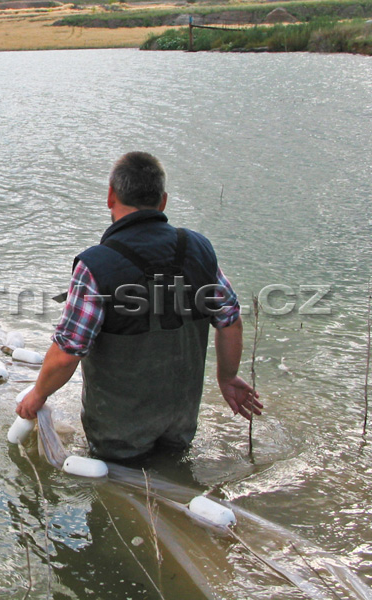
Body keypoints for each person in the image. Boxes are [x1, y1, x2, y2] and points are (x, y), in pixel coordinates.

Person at [16, 151, 262, 461]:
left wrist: (38, 394)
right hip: (181, 421)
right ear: (163, 201)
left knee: (110, 495)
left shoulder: (95, 265)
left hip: (118, 432)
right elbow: (230, 321)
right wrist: (227, 377)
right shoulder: (199, 248)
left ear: (110, 195)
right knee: (172, 472)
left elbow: (68, 352)